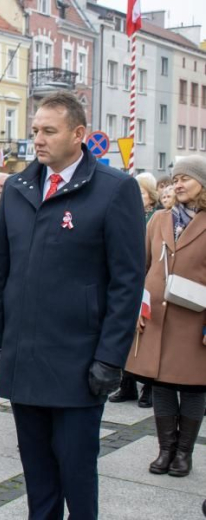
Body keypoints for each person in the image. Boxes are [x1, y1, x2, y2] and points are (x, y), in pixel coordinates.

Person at [0, 92, 145, 519]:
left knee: (76, 470)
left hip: (79, 362)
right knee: (37, 474)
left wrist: (110, 357)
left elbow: (127, 283)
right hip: (22, 356)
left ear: (78, 135)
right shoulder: (18, 187)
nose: (38, 138)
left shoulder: (114, 189)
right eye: (35, 129)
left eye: (48, 131)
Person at [125, 155, 206, 478]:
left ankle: (183, 453)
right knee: (160, 385)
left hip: (195, 320)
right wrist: (137, 309)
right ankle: (165, 449)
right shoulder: (160, 219)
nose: (178, 184)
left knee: (193, 387)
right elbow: (141, 267)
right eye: (175, 179)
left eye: (186, 178)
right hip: (157, 317)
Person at [110, 172, 159, 407]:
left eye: (141, 192)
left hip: (149, 280)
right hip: (131, 277)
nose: (137, 196)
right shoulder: (129, 213)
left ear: (150, 196)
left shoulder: (155, 218)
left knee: (147, 336)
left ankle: (148, 386)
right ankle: (126, 382)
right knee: (127, 333)